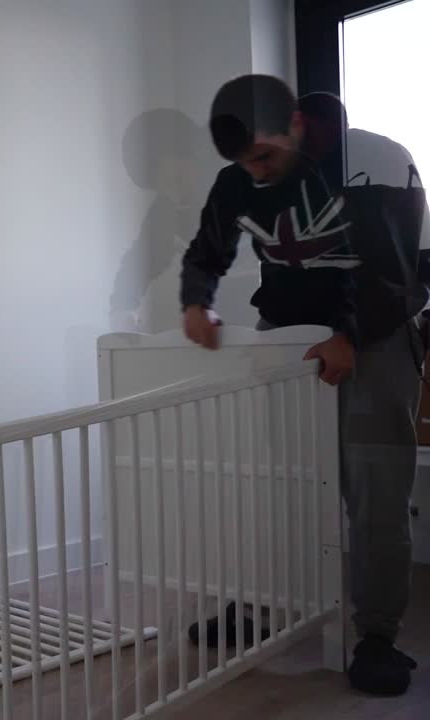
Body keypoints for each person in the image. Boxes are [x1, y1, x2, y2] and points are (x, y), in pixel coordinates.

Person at [178, 74, 426, 696]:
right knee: (278, 481)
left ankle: (376, 634)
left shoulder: (377, 159)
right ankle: (264, 607)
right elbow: (209, 245)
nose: (255, 174)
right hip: (288, 334)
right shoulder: (244, 174)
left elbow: (386, 265)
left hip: (378, 333)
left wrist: (348, 334)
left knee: (373, 486)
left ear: (296, 128)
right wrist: (195, 303)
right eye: (244, 163)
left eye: (263, 158)